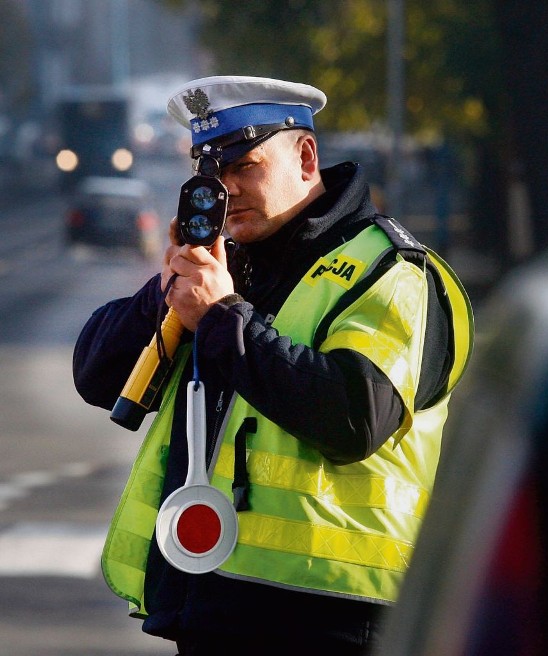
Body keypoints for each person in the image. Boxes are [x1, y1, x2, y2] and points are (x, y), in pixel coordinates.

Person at [73, 75, 474, 656]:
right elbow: (96, 376)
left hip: (335, 616)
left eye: (245, 167)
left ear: (305, 157)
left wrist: (221, 317)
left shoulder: (389, 272)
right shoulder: (224, 268)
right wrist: (168, 292)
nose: (226, 191)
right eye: (211, 175)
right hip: (213, 605)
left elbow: (354, 417)